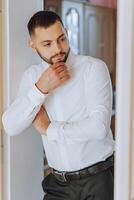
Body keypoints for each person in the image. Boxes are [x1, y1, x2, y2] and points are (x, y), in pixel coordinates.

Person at [2, 11, 115, 200]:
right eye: (47, 44)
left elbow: (98, 128)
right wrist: (41, 89)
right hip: (58, 185)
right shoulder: (32, 78)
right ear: (33, 45)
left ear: (67, 33)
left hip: (99, 179)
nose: (58, 49)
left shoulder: (93, 68)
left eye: (61, 39)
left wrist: (49, 129)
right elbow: (10, 126)